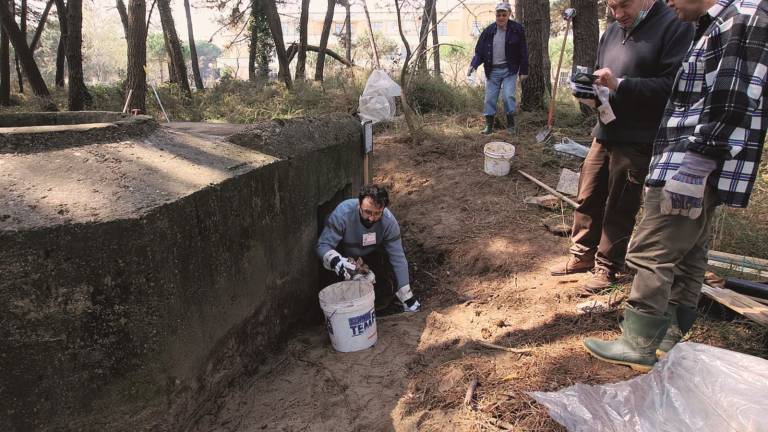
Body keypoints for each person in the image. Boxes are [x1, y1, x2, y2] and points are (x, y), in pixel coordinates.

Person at [584, 0, 768, 372]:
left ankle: (638, 342)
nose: (667, 2)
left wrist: (696, 164)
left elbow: (731, 102)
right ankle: (669, 334)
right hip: (693, 156)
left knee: (654, 248)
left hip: (692, 158)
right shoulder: (717, 23)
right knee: (690, 249)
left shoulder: (743, 19)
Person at [549, 0, 693, 293]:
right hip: (606, 128)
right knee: (588, 192)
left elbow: (672, 87)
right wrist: (591, 92)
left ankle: (607, 267)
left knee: (620, 201)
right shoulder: (613, 31)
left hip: (639, 135)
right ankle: (581, 255)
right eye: (612, 7)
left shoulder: (674, 25)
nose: (618, 14)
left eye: (624, 5)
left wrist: (620, 85)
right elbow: (606, 79)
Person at [316, 184, 421, 312]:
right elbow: (323, 245)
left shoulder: (388, 222)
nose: (371, 218)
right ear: (359, 205)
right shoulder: (343, 214)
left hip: (372, 254)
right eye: (368, 212)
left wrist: (407, 295)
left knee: (386, 283)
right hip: (343, 255)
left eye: (377, 213)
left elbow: (398, 257)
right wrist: (335, 261)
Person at [467, 2, 528, 135]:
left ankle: (511, 126)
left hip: (509, 70)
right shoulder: (488, 31)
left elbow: (523, 51)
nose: (501, 17)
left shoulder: (517, 29)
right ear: (495, 15)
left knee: (508, 96)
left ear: (509, 15)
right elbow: (479, 52)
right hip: (492, 70)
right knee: (489, 98)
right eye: (498, 15)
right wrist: (473, 65)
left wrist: (524, 70)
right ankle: (489, 126)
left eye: (503, 15)